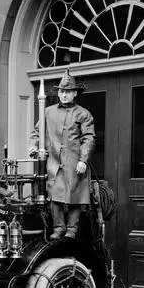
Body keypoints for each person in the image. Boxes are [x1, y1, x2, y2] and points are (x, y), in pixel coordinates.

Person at [29, 69, 95, 239]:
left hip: (75, 162)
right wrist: (33, 146)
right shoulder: (48, 112)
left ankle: (72, 229)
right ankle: (58, 228)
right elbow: (37, 132)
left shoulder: (83, 114)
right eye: (61, 91)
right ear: (58, 93)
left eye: (68, 92)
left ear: (74, 94)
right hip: (55, 162)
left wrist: (83, 160)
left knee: (75, 195)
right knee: (55, 195)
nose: (64, 95)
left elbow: (88, 138)